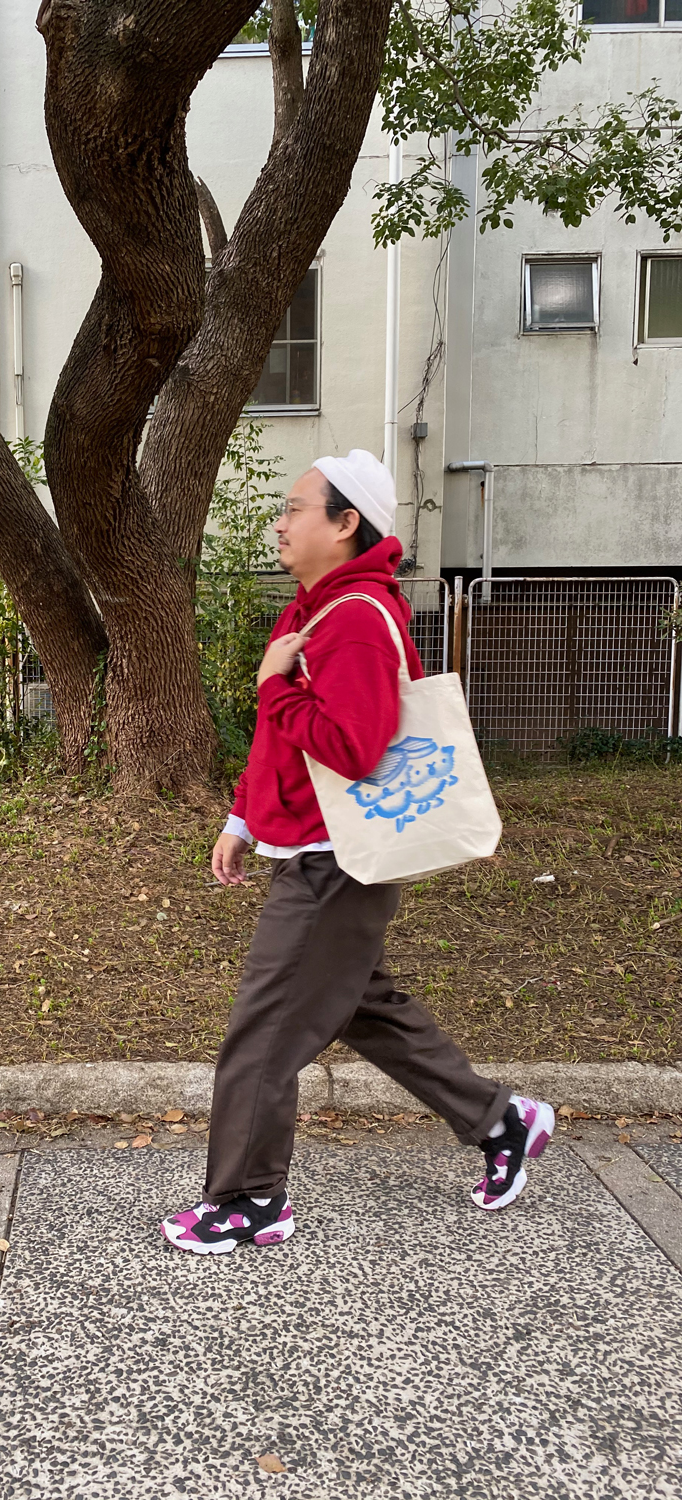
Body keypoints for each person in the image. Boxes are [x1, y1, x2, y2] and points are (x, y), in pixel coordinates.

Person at [161, 450, 554, 1255]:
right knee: (360, 1008)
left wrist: (274, 683)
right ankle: (499, 1120)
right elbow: (284, 741)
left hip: (333, 863)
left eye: (296, 506)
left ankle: (247, 1200)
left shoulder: (351, 620)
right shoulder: (316, 608)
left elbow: (355, 749)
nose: (280, 520)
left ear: (345, 525)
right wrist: (242, 815)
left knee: (264, 1032)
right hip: (316, 848)